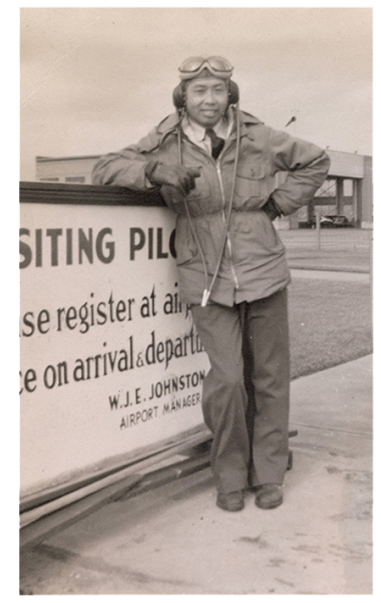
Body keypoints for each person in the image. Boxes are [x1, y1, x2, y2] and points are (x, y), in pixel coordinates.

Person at [93, 56, 329, 512]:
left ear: (230, 95)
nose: (209, 99)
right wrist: (153, 173)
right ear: (183, 98)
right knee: (226, 380)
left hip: (263, 269)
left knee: (270, 377)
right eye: (199, 91)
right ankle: (230, 476)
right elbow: (105, 168)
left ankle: (269, 474)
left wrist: (278, 204)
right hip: (204, 275)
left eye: (217, 90)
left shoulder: (258, 137)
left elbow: (315, 161)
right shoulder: (165, 142)